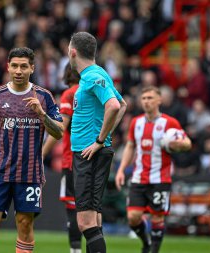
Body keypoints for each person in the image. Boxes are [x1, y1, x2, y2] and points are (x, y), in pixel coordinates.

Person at [0, 47, 63, 253]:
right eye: (14, 66)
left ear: (32, 68)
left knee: (24, 224)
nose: (18, 70)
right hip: (0, 170)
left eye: (24, 66)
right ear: (8, 67)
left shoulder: (44, 97)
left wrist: (42, 114)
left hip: (30, 172)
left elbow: (59, 132)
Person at [68, 32, 127, 253]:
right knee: (93, 220)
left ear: (73, 52)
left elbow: (113, 105)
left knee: (85, 222)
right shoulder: (98, 74)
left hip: (88, 154)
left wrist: (99, 141)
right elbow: (123, 105)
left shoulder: (93, 76)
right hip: (91, 153)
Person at [115, 86, 192, 253]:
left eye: (150, 98)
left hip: (160, 178)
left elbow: (188, 143)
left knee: (157, 216)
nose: (146, 102)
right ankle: (146, 242)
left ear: (159, 100)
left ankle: (154, 250)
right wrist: (121, 169)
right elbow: (130, 146)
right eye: (144, 98)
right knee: (133, 217)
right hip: (139, 177)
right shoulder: (136, 122)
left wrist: (180, 144)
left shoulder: (170, 123)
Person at [42, 64, 82, 253]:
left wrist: (40, 154)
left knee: (72, 206)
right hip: (96, 158)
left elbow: (60, 129)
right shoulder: (96, 91)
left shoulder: (70, 94)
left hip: (74, 160)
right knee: (92, 210)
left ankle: (75, 250)